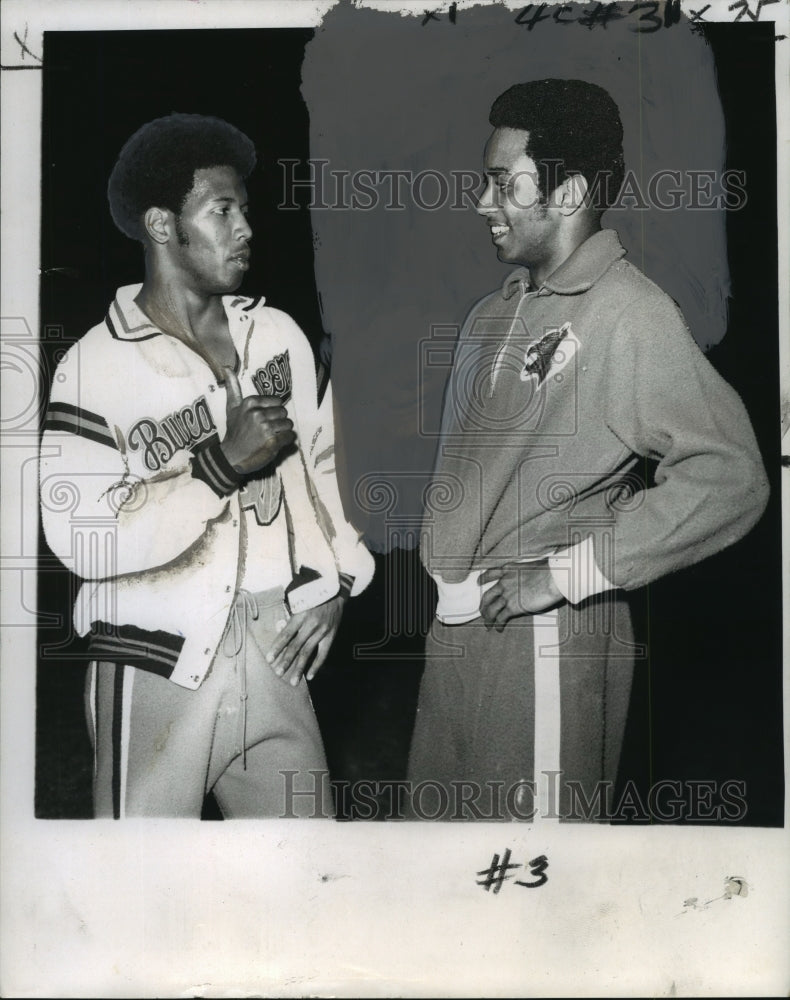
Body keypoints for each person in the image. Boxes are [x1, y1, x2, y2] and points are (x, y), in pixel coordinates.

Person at [407, 80, 769, 822]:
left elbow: (731, 474)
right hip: (455, 642)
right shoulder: (490, 313)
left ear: (568, 193)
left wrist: (568, 573)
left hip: (542, 639)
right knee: (439, 886)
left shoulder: (628, 312)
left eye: (503, 184)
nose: (483, 203)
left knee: (538, 895)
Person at [39, 113, 374, 818]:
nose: (246, 228)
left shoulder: (275, 334)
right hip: (153, 653)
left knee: (305, 869)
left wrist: (339, 580)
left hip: (276, 642)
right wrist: (217, 467)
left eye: (245, 211)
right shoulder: (94, 366)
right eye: (222, 210)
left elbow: (325, 467)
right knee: (146, 887)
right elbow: (80, 535)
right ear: (162, 225)